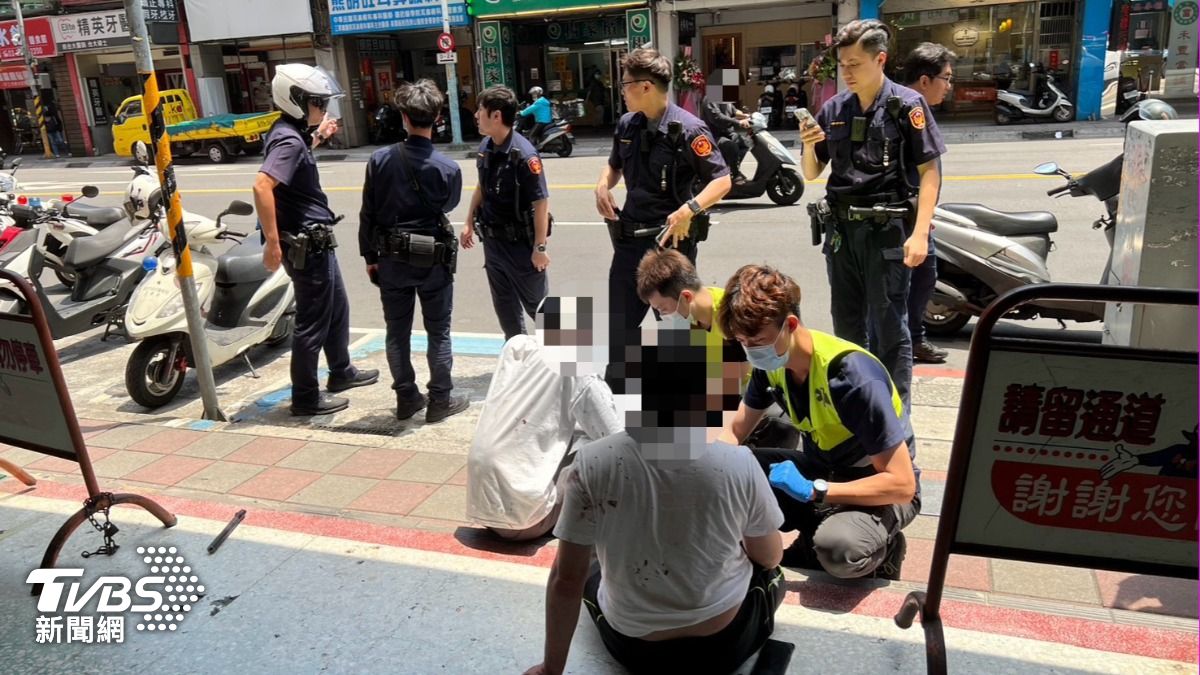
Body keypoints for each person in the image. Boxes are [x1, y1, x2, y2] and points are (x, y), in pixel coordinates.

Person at [523, 327, 785, 675]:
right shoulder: (739, 463)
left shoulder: (593, 461)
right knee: (771, 573)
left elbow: (565, 579)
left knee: (588, 567)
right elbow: (768, 557)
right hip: (722, 646)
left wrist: (550, 669)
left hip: (633, 649)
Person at [717, 264, 919, 580]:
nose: (750, 351)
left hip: (877, 488)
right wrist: (709, 472)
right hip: (822, 469)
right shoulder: (772, 366)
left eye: (757, 341)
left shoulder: (852, 378)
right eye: (743, 341)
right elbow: (735, 430)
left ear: (790, 325)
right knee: (730, 472)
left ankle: (884, 548)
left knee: (838, 549)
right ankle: (812, 529)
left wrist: (816, 490)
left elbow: (902, 485)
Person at [798, 19, 945, 416]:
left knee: (888, 326)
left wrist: (920, 233)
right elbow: (812, 173)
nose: (846, 72)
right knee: (846, 324)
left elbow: (930, 172)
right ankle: (856, 407)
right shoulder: (835, 108)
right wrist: (809, 146)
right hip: (842, 232)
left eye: (855, 64)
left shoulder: (906, 106)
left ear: (880, 60)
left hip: (887, 231)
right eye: (842, 65)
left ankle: (895, 415)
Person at [594, 47, 731, 384]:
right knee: (620, 327)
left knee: (679, 329)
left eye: (625, 85)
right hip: (629, 243)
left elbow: (722, 180)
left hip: (670, 245)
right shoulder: (627, 125)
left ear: (645, 86)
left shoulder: (689, 130)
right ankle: (615, 396)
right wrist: (602, 184)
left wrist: (690, 209)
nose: (622, 91)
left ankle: (690, 398)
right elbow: (614, 166)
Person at [254, 63, 378, 416]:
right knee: (312, 321)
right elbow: (262, 186)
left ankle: (341, 371)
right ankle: (306, 397)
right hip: (306, 245)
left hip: (316, 240)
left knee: (337, 307)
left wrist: (318, 137)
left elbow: (296, 158)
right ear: (295, 100)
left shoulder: (290, 133)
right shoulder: (288, 140)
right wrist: (272, 243)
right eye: (318, 102)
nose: (323, 109)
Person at [466, 296, 622, 541]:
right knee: (599, 452)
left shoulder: (517, 348)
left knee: (560, 436)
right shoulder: (578, 368)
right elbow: (616, 438)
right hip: (526, 521)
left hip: (483, 508)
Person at [359, 79, 467, 424]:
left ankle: (406, 398)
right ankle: (440, 401)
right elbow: (448, 205)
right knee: (439, 331)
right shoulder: (448, 168)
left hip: (390, 258)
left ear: (404, 117)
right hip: (433, 258)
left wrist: (370, 258)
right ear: (437, 118)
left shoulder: (379, 160)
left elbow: (368, 213)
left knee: (397, 331)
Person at [460, 85, 551, 341]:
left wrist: (540, 248)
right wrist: (468, 221)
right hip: (493, 244)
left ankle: (578, 358)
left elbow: (541, 203)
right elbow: (482, 186)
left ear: (496, 115)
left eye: (480, 110)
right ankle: (518, 358)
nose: (476, 115)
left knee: (543, 311)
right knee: (507, 313)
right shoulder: (486, 146)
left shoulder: (525, 155)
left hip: (520, 246)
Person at [901, 43, 957, 365]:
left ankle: (913, 339)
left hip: (916, 217)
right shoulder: (910, 109)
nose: (949, 86)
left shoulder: (912, 107)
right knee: (912, 283)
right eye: (946, 78)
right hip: (905, 220)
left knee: (922, 281)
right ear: (925, 80)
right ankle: (905, 344)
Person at [701, 98, 750, 183]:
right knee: (731, 146)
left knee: (746, 143)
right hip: (713, 136)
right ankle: (735, 174)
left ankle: (730, 167)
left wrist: (747, 116)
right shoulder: (710, 99)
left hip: (727, 133)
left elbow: (735, 111)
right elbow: (718, 117)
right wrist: (738, 122)